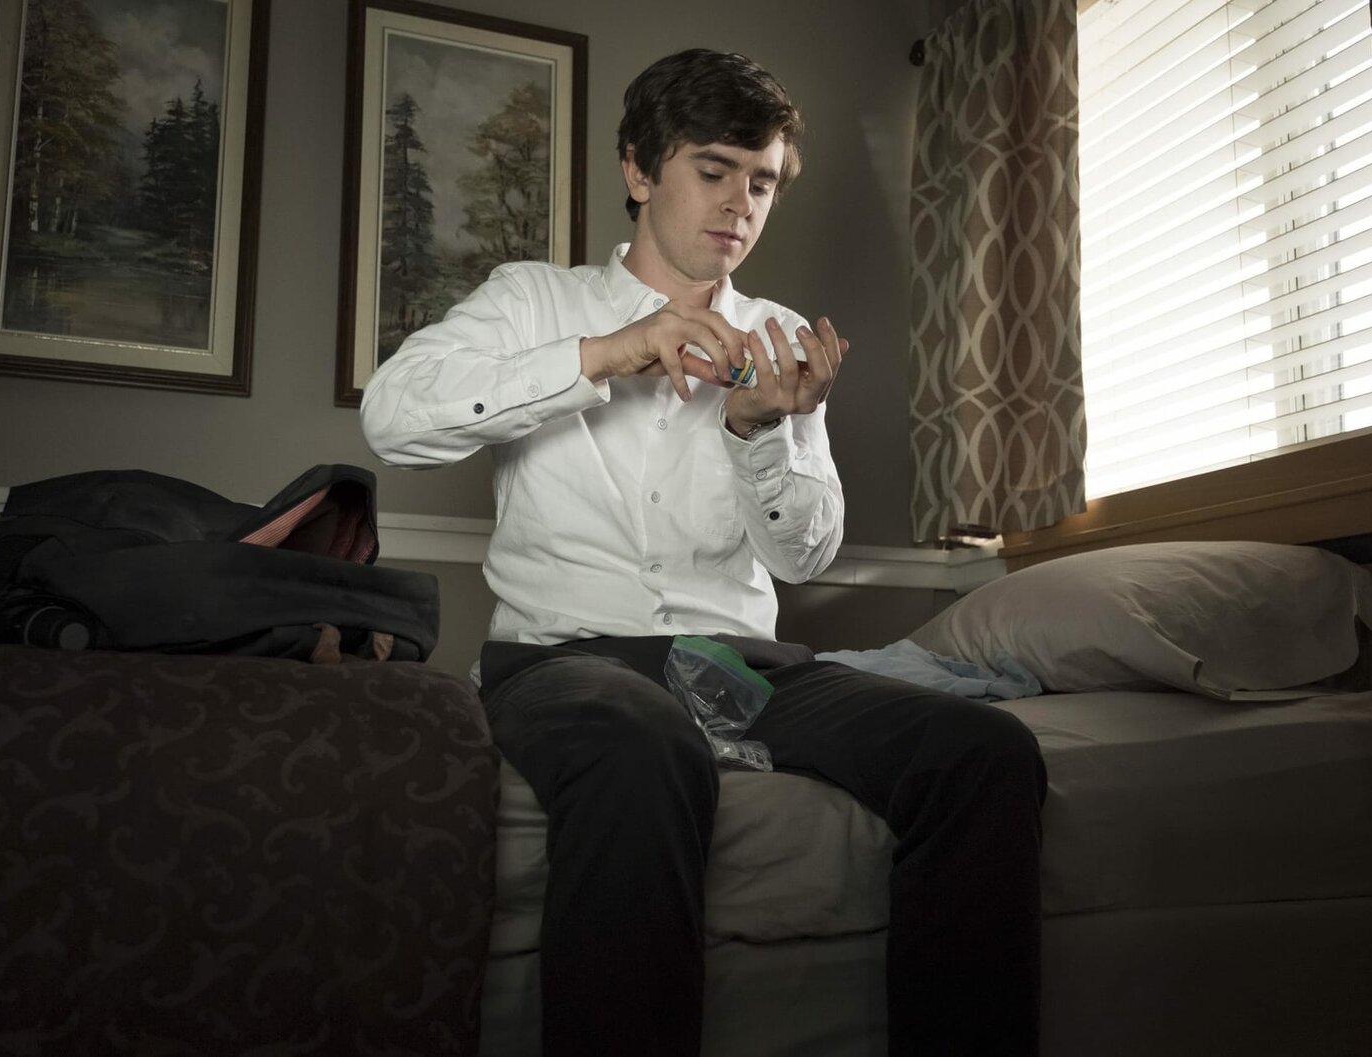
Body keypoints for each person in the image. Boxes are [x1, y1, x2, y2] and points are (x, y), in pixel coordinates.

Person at [362, 48, 1045, 1057]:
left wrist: (758, 431)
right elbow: (391, 417)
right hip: (560, 658)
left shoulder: (778, 335)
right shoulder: (532, 302)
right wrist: (611, 354)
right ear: (640, 170)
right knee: (642, 746)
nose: (738, 205)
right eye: (713, 170)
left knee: (985, 753)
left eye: (760, 181)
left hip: (733, 664)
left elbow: (807, 557)